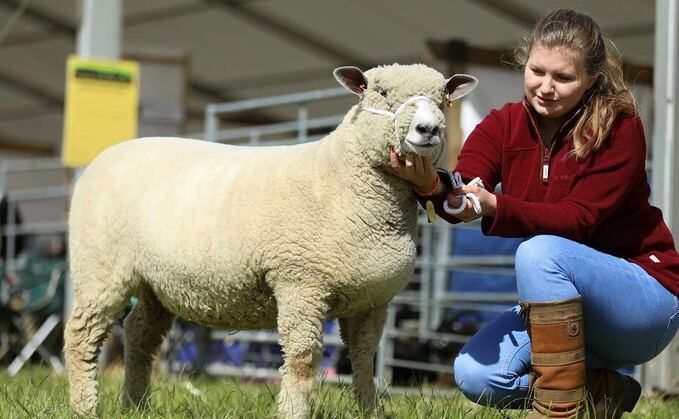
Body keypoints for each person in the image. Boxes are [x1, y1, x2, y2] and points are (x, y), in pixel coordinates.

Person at [390, 9, 679, 418]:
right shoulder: (501, 124)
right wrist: (434, 187)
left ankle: (556, 411)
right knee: (475, 374)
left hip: (645, 301)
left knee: (539, 251)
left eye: (563, 78)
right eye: (536, 71)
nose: (545, 87)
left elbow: (578, 219)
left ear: (592, 80)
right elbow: (463, 191)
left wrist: (494, 204)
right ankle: (598, 391)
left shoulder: (620, 125)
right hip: (567, 312)